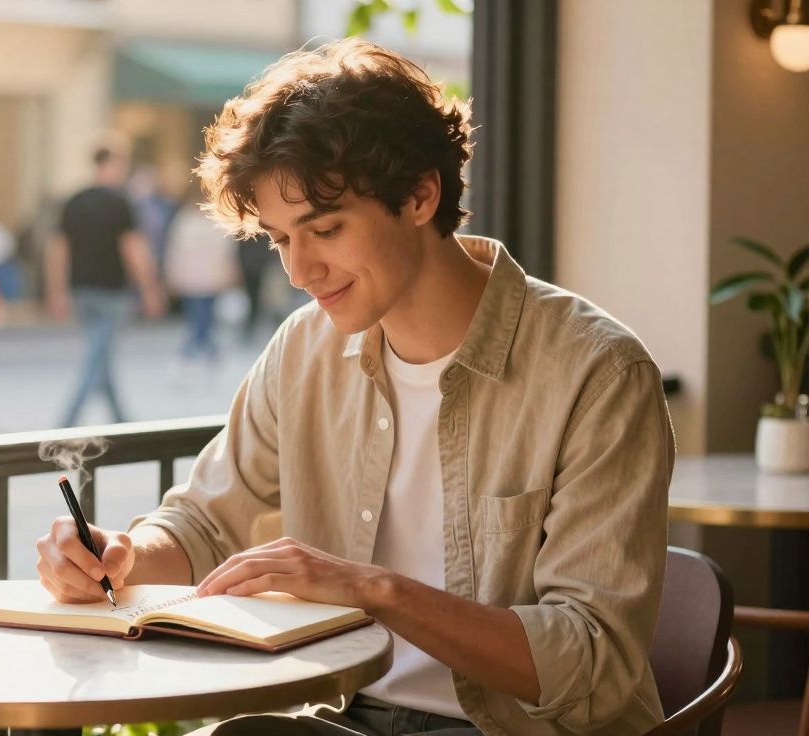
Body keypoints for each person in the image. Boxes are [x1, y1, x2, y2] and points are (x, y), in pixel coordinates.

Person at [35, 39, 673, 736]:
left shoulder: (597, 373)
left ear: (421, 195)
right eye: (279, 240)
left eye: (326, 229)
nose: (299, 270)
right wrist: (122, 558)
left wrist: (372, 590)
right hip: (341, 715)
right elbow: (206, 522)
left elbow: (592, 662)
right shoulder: (305, 349)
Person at [46, 137, 165, 427]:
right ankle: (67, 422)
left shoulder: (74, 201)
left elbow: (58, 251)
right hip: (112, 291)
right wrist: (151, 288)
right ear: (113, 163)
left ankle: (121, 420)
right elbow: (134, 249)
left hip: (81, 289)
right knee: (97, 357)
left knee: (100, 352)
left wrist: (57, 290)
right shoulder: (120, 202)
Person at [163, 187, 240, 365]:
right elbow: (174, 251)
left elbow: (227, 251)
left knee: (203, 316)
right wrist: (172, 276)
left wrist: (230, 272)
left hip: (210, 278)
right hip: (192, 278)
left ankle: (195, 351)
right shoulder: (184, 220)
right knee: (199, 316)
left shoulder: (216, 220)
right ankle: (200, 351)